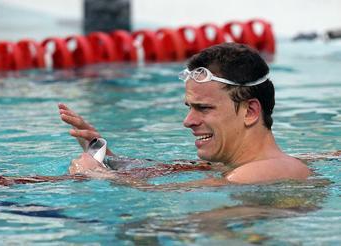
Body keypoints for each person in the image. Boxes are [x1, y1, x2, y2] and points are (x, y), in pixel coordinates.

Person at [59, 43, 312, 187]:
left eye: (204, 108)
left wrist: (101, 176)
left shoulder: (260, 173)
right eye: (189, 107)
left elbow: (171, 200)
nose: (188, 121)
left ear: (251, 111)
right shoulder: (233, 167)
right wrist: (108, 158)